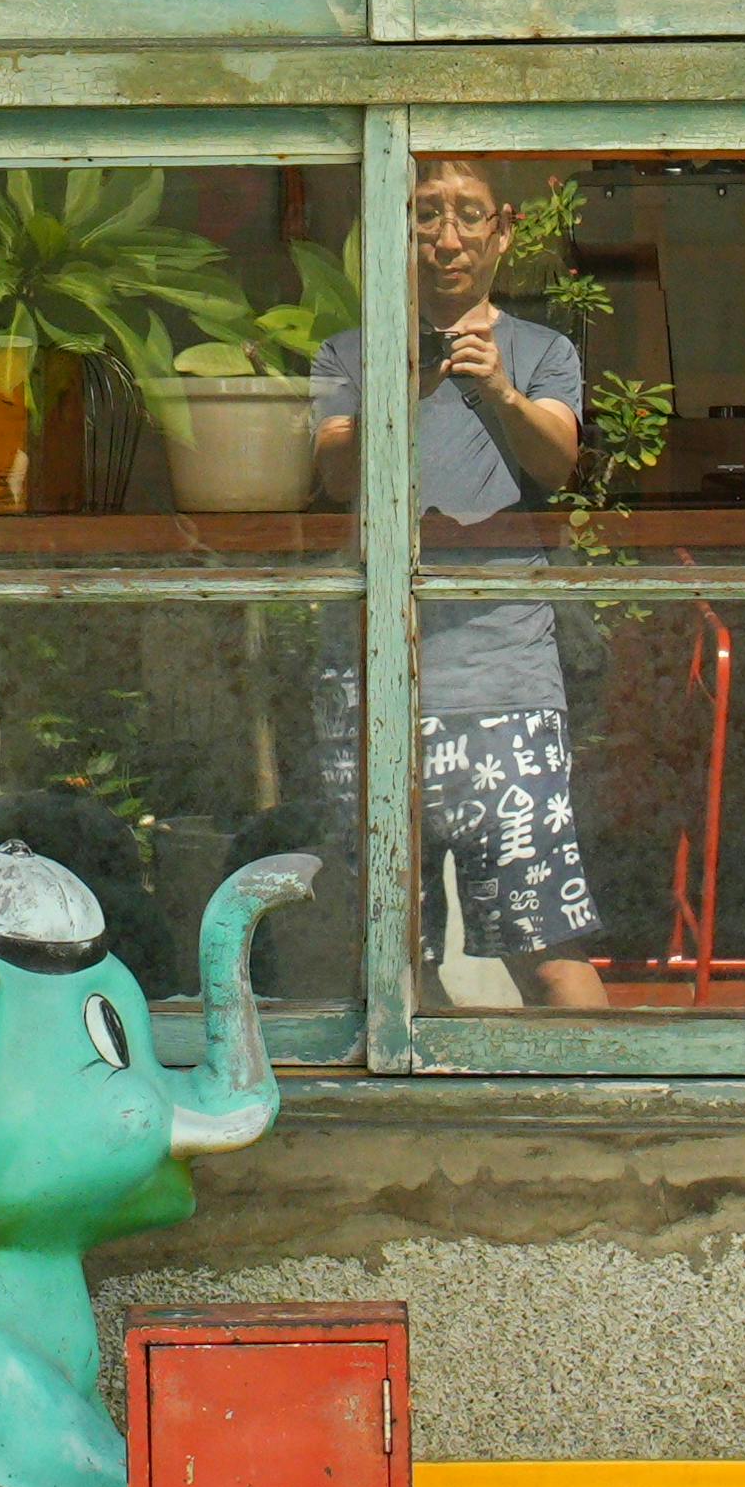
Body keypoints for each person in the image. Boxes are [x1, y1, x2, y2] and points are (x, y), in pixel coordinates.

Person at [311, 152, 607, 1008]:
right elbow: (335, 473)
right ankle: (426, 1128)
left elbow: (558, 461)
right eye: (424, 214)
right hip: (370, 689)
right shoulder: (348, 353)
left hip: (502, 685)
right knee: (391, 958)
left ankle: (601, 1130)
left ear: (503, 232)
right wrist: (409, 378)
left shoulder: (542, 350)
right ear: (391, 231)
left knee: (547, 955)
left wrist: (501, 395)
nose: (446, 238)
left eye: (468, 214)